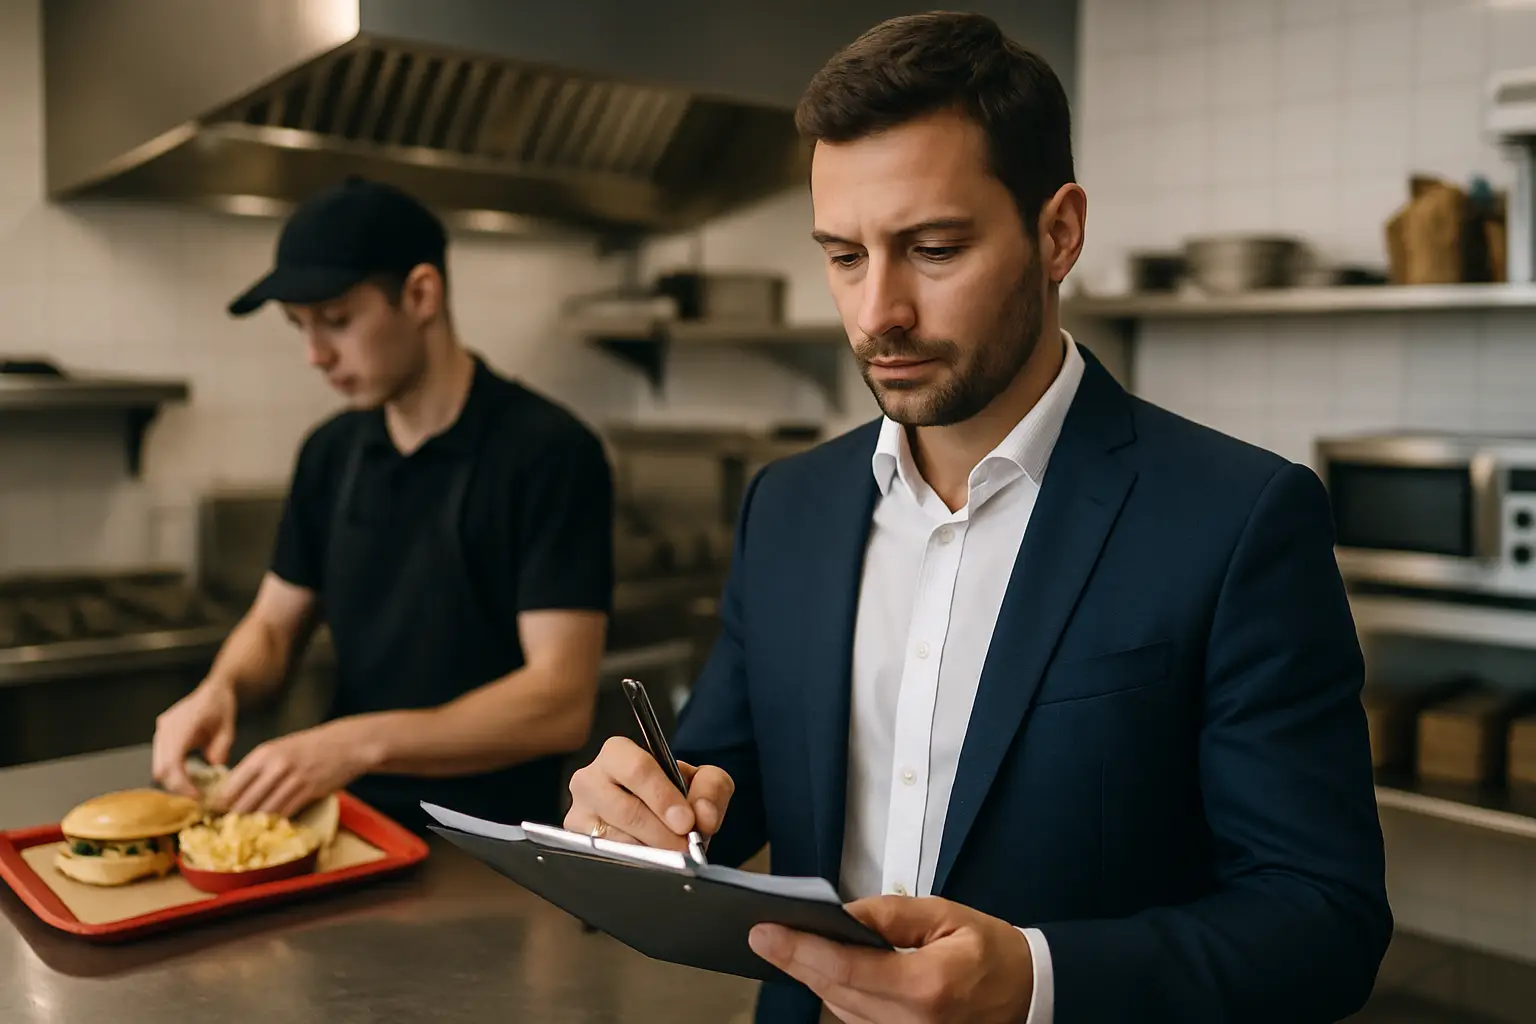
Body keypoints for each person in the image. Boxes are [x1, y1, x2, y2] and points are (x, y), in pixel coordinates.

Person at [565, 12, 1390, 1024]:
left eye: (934, 248)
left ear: (1059, 233)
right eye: (845, 256)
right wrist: (636, 826)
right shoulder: (791, 508)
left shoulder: (1239, 521)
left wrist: (1033, 979)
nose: (878, 313)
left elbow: (1324, 923)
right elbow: (719, 806)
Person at [152, 177, 614, 833]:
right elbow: (274, 629)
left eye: (337, 321)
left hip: (495, 846)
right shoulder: (330, 454)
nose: (316, 355)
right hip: (348, 831)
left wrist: (355, 742)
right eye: (301, 328)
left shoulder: (548, 453)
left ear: (422, 294)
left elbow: (558, 700)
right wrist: (219, 688)